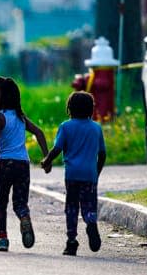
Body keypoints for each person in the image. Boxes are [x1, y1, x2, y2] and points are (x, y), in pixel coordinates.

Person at [0, 76, 49, 251]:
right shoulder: (20, 117)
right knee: (20, 203)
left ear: (5, 96)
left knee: (1, 202)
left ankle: (2, 238)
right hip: (23, 165)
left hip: (6, 164)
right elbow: (39, 133)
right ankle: (24, 217)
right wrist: (46, 157)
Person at [41, 91, 106, 256]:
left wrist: (47, 160)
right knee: (89, 205)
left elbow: (57, 148)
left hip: (72, 175)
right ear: (91, 109)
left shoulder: (66, 126)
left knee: (71, 207)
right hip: (90, 175)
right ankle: (91, 222)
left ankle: (71, 242)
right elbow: (102, 154)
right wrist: (96, 172)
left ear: (69, 109)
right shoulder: (96, 128)